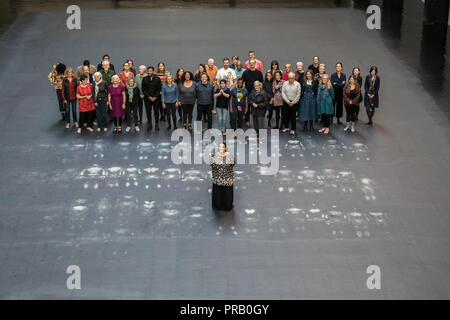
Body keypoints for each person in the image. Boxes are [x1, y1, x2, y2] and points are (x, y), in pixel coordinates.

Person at [210, 142, 235, 212]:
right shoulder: (214, 155)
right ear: (218, 148)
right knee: (218, 191)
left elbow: (232, 164)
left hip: (227, 177)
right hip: (218, 177)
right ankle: (218, 205)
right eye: (220, 147)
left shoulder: (229, 155)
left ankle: (227, 205)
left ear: (225, 148)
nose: (221, 148)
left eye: (223, 147)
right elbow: (212, 165)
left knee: (227, 192)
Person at [242, 60, 264, 127]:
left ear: (255, 64)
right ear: (249, 64)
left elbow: (261, 83)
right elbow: (243, 83)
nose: (251, 64)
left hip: (256, 93)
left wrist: (260, 92)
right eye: (250, 63)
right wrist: (243, 91)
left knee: (256, 106)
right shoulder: (245, 72)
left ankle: (257, 120)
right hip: (248, 93)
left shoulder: (259, 73)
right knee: (247, 107)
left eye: (253, 63)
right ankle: (247, 120)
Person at [141, 66, 162, 131]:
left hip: (156, 98)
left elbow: (159, 89)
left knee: (156, 112)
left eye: (151, 71)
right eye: (148, 71)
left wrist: (155, 97)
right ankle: (150, 124)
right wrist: (149, 97)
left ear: (153, 71)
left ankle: (156, 125)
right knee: (148, 112)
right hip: (147, 98)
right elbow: (143, 89)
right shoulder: (144, 79)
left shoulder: (157, 78)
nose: (149, 72)